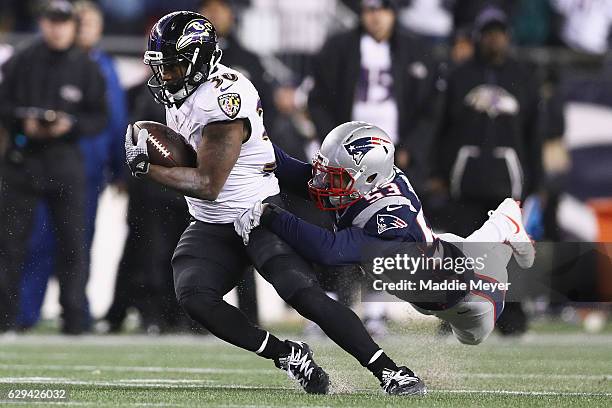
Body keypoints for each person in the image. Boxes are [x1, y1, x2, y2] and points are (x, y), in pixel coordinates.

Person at [124, 11, 425, 395]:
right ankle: (287, 354)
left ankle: (390, 370)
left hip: (259, 214)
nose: (165, 76)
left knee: (302, 294)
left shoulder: (224, 99)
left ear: (198, 62)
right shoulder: (185, 94)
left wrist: (146, 167)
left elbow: (207, 182)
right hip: (212, 223)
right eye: (161, 66)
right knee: (195, 297)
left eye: (173, 66)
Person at [235, 121, 536, 346]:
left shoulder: (390, 218)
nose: (325, 182)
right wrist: (247, 143)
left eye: (335, 177)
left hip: (467, 288)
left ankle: (506, 223)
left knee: (474, 335)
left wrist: (269, 214)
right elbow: (305, 179)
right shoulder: (364, 184)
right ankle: (502, 226)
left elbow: (329, 250)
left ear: (369, 176)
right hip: (434, 260)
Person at [429, 7, 543, 335]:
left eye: (499, 32)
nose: (493, 39)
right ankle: (454, 312)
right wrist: (437, 170)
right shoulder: (458, 75)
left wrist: (538, 179)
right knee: (464, 249)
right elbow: (441, 127)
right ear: (478, 37)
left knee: (510, 246)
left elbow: (535, 133)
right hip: (465, 179)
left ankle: (513, 317)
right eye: (487, 33)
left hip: (509, 177)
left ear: (507, 36)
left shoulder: (524, 77)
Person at [16, 0, 128, 330]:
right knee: (39, 240)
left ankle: (76, 308)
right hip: (56, 162)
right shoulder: (57, 63)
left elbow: (116, 121)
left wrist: (120, 166)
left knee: (77, 242)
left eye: (92, 23)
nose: (85, 29)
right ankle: (26, 311)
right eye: (82, 23)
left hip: (89, 169)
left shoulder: (102, 66)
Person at [308, 0, 435, 188]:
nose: (376, 16)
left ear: (393, 13)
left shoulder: (414, 50)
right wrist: (333, 144)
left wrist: (411, 148)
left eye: (383, 9)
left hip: (397, 152)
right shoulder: (338, 48)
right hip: (349, 152)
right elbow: (318, 101)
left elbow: (430, 105)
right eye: (370, 10)